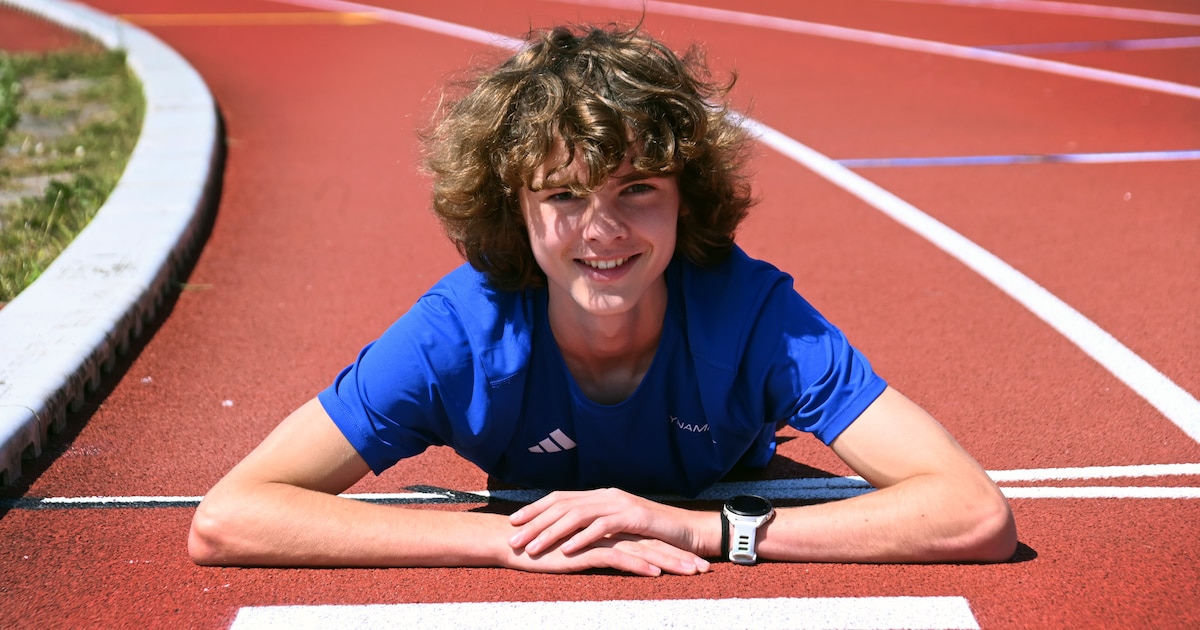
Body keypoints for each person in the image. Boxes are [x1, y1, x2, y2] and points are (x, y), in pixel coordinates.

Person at [188, 24, 1017, 577]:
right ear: (513, 210)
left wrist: (700, 529)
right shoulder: (461, 335)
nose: (604, 230)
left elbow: (972, 512)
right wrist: (504, 540)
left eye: (638, 188)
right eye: (562, 195)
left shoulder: (752, 318)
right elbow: (231, 516)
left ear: (687, 198)